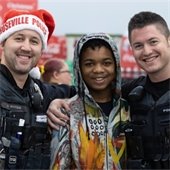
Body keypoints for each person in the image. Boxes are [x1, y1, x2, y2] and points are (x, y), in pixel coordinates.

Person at [47, 11, 170, 169]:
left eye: (153, 42)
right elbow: (89, 93)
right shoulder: (133, 95)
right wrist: (57, 102)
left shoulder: (126, 104)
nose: (147, 51)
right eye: (138, 45)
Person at [0, 9, 75, 169]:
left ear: (41, 49)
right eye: (19, 38)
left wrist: (61, 101)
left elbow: (89, 92)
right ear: (3, 42)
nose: (26, 47)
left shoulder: (41, 92)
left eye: (34, 41)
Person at [50, 33, 130, 169]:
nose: (98, 70)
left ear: (116, 65)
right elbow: (58, 164)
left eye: (106, 63)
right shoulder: (66, 112)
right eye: (89, 64)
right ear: (78, 68)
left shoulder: (127, 108)